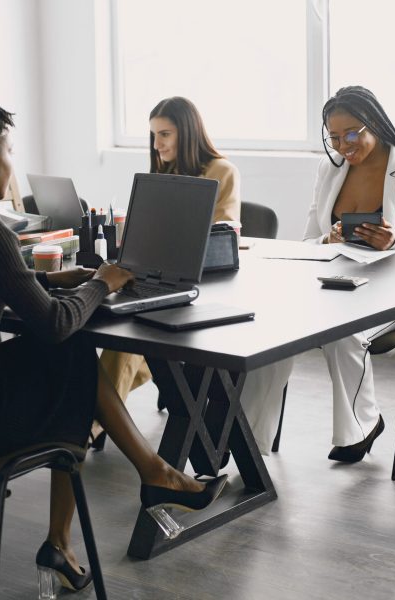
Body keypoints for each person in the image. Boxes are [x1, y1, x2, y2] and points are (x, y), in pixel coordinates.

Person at [0, 97, 226, 594]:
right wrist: (102, 283)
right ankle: (115, 504)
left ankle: (139, 486)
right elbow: (53, 324)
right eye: (8, 150)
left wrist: (48, 279)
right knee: (69, 352)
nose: (12, 161)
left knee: (63, 357)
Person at [302, 85, 395, 462]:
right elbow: (307, 242)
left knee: (343, 332)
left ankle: (361, 428)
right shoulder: (329, 169)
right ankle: (248, 436)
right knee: (280, 328)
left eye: (351, 134)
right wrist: (328, 238)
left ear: (374, 124)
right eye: (334, 138)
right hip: (344, 287)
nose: (343, 146)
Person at [97, 97, 242, 445]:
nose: (157, 144)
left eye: (164, 134)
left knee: (128, 340)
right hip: (159, 279)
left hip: (204, 288)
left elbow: (225, 234)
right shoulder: (164, 173)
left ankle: (93, 423)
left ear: (187, 133)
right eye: (153, 135)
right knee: (121, 332)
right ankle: (95, 419)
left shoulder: (222, 170)